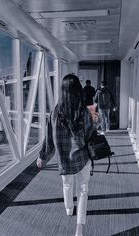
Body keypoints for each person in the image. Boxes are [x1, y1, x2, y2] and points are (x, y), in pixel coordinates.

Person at [37, 74, 94, 236]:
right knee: (83, 190)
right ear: (78, 90)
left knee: (67, 185)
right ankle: (79, 227)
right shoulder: (83, 110)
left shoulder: (56, 111)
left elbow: (49, 136)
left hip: (64, 158)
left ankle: (69, 209)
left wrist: (43, 156)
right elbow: (90, 131)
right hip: (82, 157)